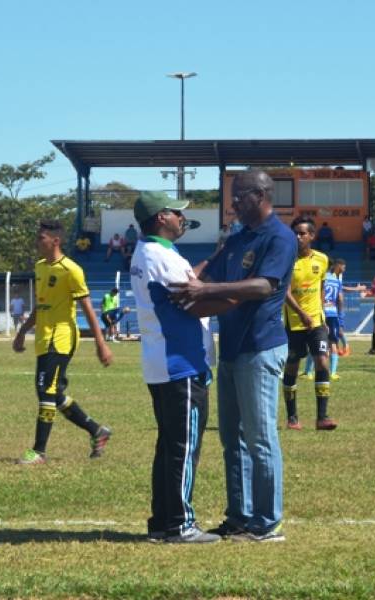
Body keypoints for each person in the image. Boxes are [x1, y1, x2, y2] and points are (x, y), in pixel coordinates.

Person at [168, 169, 296, 543]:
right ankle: (239, 516)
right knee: (232, 439)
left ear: (260, 195)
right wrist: (192, 277)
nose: (233, 203)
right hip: (233, 346)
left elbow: (263, 285)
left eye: (239, 196)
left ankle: (267, 523)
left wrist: (207, 288)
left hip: (261, 346)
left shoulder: (279, 237)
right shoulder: (240, 237)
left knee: (259, 438)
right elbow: (216, 262)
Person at [129, 191, 219, 544]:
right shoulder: (159, 255)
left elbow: (183, 283)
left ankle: (162, 522)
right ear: (160, 217)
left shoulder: (151, 252)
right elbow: (192, 302)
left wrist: (210, 264)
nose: (182, 218)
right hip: (180, 362)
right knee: (184, 447)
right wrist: (240, 298)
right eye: (176, 213)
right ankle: (180, 524)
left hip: (163, 362)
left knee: (168, 446)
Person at [13, 219, 113, 465]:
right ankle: (97, 431)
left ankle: (38, 451)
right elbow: (41, 304)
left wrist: (101, 342)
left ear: (55, 241)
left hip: (62, 337)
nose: (37, 241)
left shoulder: (71, 270)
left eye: (41, 238)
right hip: (43, 337)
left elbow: (87, 307)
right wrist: (22, 331)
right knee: (51, 392)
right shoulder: (40, 267)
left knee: (46, 391)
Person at [281, 217, 337, 432]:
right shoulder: (286, 260)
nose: (298, 236)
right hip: (294, 324)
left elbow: (321, 286)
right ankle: (292, 417)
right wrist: (301, 313)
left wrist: (320, 312)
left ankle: (322, 417)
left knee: (322, 362)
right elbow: (285, 292)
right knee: (292, 367)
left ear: (312, 236)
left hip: (316, 322)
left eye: (302, 233)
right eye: (295, 233)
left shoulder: (322, 260)